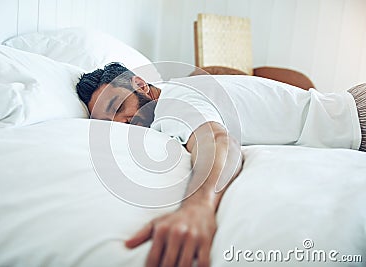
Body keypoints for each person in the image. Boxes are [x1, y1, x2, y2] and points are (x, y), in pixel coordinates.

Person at [76, 62, 365, 267]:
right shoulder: (178, 92)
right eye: (108, 121)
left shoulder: (173, 104)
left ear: (140, 84)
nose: (121, 123)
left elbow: (216, 138)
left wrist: (197, 207)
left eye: (117, 106)